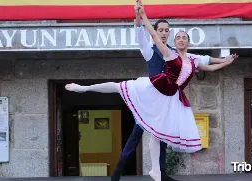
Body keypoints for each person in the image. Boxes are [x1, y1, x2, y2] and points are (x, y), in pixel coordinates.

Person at [65, 2, 237, 181]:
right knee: (135, 135)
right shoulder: (150, 50)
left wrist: (224, 60)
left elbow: (203, 59)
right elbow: (141, 34)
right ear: (156, 31)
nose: (163, 33)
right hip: (150, 97)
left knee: (160, 137)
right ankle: (117, 173)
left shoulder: (176, 52)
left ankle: (160, 173)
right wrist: (139, 16)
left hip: (166, 100)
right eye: (160, 30)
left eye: (166, 30)